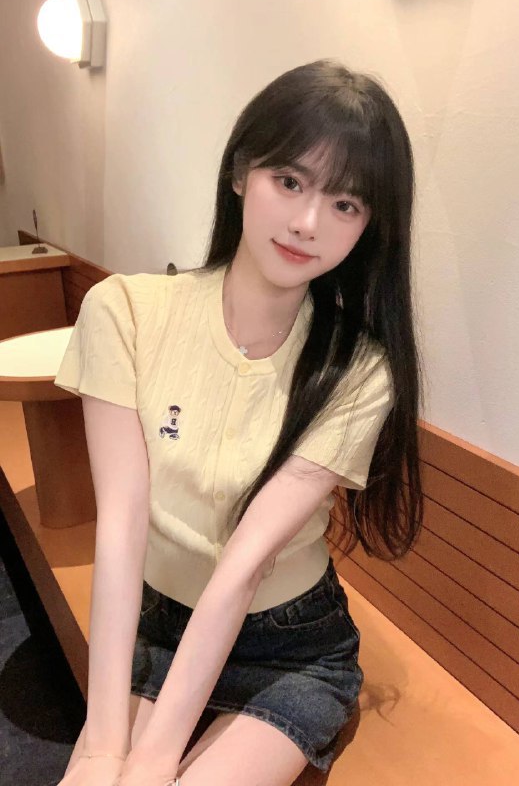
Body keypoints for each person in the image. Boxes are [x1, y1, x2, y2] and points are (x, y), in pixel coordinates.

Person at [53, 58, 424, 786]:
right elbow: (120, 526)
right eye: (289, 181)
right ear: (239, 173)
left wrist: (152, 761)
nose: (307, 223)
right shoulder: (125, 311)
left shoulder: (359, 370)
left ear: (369, 227)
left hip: (289, 646)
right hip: (157, 623)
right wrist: (102, 749)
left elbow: (243, 568)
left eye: (345, 204)